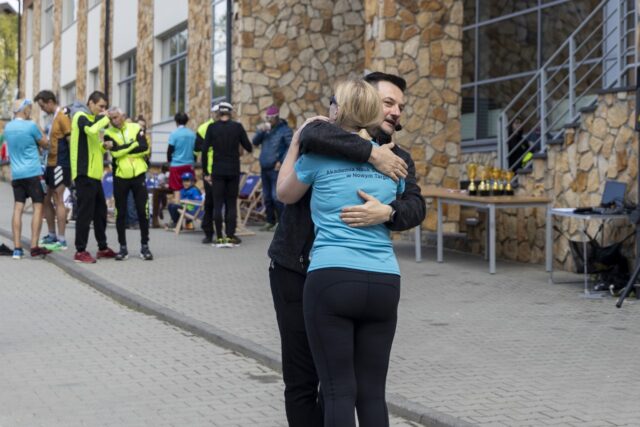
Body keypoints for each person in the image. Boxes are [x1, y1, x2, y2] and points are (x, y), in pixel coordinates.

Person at [267, 71, 425, 427]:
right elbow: (312, 130)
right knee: (313, 380)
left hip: (330, 277)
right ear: (366, 104)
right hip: (300, 270)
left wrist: (389, 212)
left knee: (338, 390)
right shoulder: (323, 138)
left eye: (401, 105)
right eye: (388, 102)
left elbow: (416, 207)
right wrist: (371, 154)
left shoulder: (397, 159)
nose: (396, 111)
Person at [69, 91, 117, 263]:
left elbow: (94, 147)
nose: (103, 110)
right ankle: (80, 251)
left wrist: (104, 146)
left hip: (95, 175)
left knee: (100, 213)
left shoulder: (92, 119)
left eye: (105, 107)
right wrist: (105, 119)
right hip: (83, 174)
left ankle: (102, 247)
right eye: (100, 106)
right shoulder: (80, 116)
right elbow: (90, 130)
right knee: (85, 213)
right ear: (90, 103)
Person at [4, 98, 51, 258]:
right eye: (29, 109)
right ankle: (34, 246)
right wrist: (37, 125)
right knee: (38, 207)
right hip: (32, 173)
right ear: (24, 110)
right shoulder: (31, 126)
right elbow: (45, 143)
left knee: (18, 208)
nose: (30, 111)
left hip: (16, 174)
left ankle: (17, 248)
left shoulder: (8, 128)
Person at [103, 107, 153, 261]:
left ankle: (145, 246)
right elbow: (115, 154)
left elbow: (144, 148)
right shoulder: (108, 133)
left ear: (123, 116)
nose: (114, 121)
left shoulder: (136, 127)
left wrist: (122, 148)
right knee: (120, 213)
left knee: (142, 211)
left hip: (138, 175)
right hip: (120, 177)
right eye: (111, 119)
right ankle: (122, 248)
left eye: (116, 117)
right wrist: (132, 145)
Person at [202, 102, 252, 247]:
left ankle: (219, 237)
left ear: (218, 113)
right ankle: (230, 236)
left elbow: (204, 151)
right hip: (233, 170)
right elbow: (248, 147)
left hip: (217, 170)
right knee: (231, 204)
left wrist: (206, 171)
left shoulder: (212, 127)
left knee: (217, 204)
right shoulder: (237, 127)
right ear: (230, 113)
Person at [34, 90, 72, 251]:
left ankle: (62, 240)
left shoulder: (62, 117)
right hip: (50, 164)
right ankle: (51, 235)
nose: (42, 109)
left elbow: (71, 142)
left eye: (42, 106)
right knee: (45, 199)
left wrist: (73, 166)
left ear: (50, 102)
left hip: (60, 164)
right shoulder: (53, 118)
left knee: (58, 199)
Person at [252, 105, 293, 231]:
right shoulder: (266, 130)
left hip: (276, 167)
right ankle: (270, 221)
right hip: (264, 167)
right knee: (267, 196)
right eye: (267, 118)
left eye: (271, 118)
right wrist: (261, 131)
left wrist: (281, 161)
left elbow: (290, 147)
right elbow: (254, 142)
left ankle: (281, 223)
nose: (269, 120)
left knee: (276, 196)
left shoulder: (285, 130)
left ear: (277, 117)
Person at [199, 104, 218, 244]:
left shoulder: (230, 126)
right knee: (212, 203)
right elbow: (197, 148)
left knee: (214, 203)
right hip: (211, 171)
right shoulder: (204, 128)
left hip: (218, 171)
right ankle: (210, 232)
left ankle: (214, 233)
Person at [167, 112, 197, 202]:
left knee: (177, 189)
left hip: (176, 165)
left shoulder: (174, 134)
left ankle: (177, 211)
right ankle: (188, 212)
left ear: (176, 121)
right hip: (189, 165)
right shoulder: (192, 134)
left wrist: (169, 162)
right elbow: (195, 151)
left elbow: (170, 150)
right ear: (187, 121)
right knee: (189, 188)